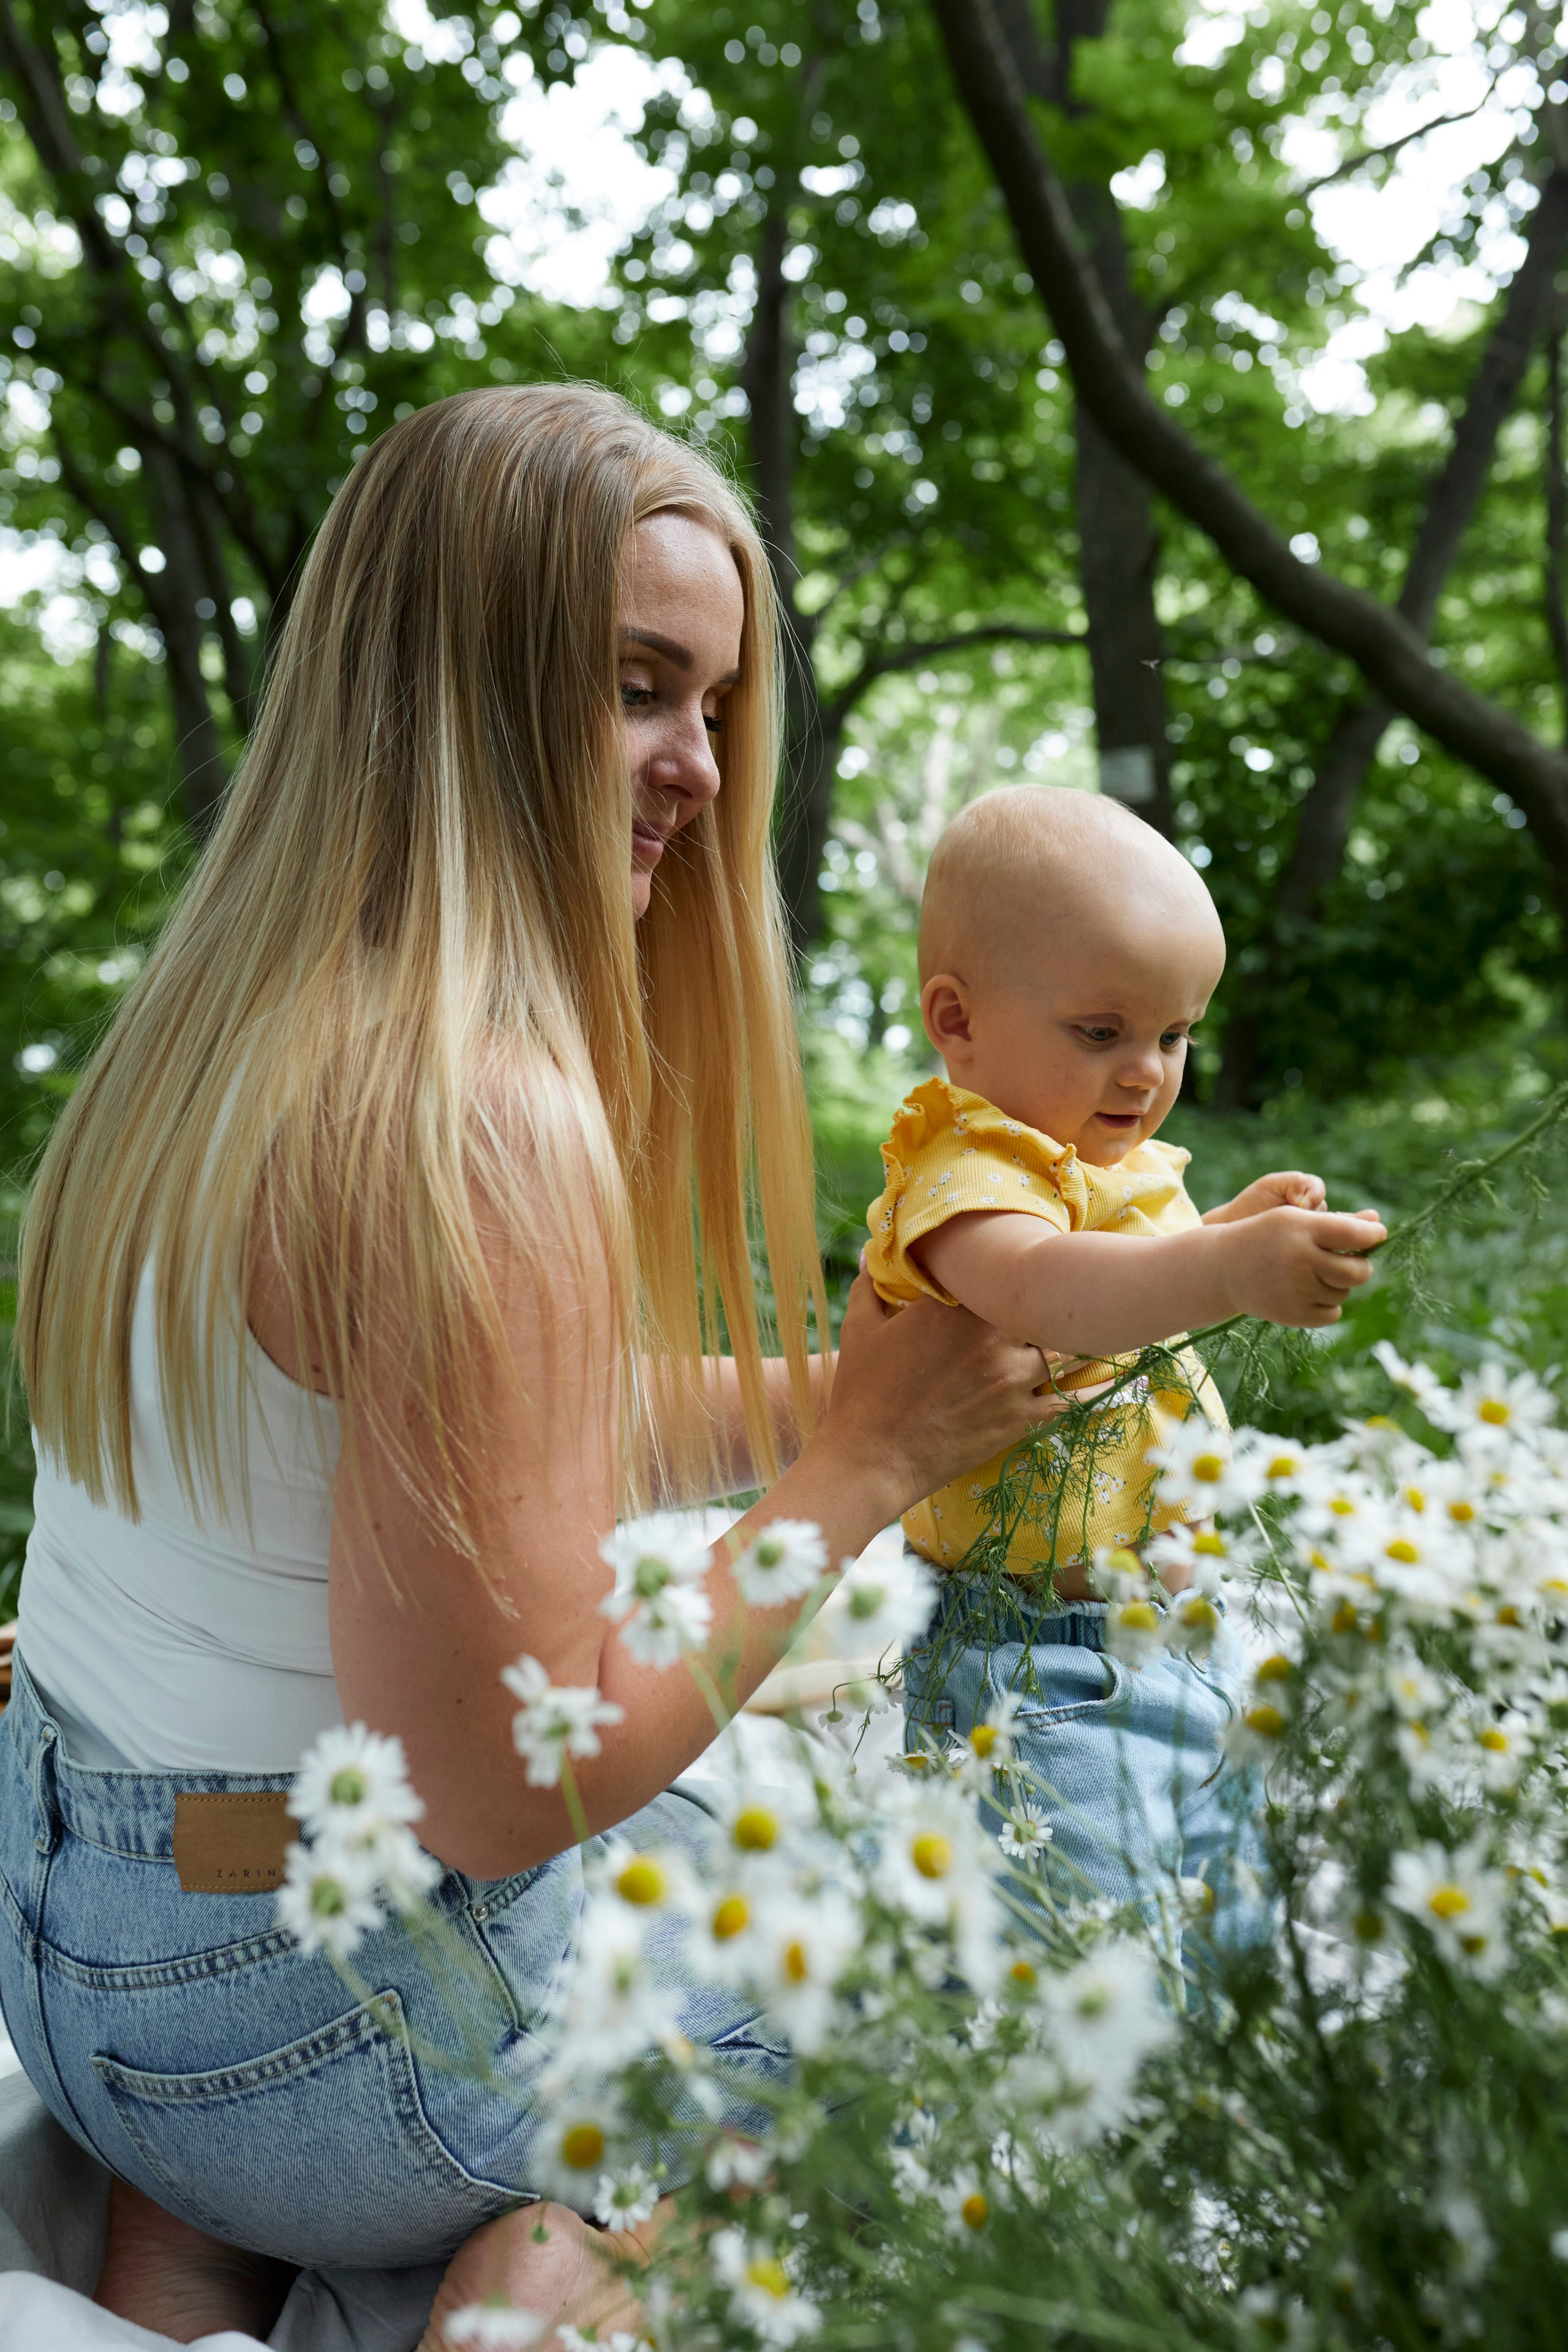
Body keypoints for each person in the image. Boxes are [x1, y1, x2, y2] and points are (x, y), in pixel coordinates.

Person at [0, 388, 1071, 2348]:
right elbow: (502, 1798)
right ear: (465, 688)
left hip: (83, 1924)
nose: (698, 764)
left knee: (692, 1816)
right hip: (298, 2024)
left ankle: (180, 2252)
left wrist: (839, 1391)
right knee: (910, 1962)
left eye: (719, 704)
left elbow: (474, 1436)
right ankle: (541, 2266)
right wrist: (853, 1486)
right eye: (640, 690)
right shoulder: (480, 1108)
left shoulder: (212, 1032)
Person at [866, 786, 1385, 1939]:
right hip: (1033, 1667)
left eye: (1174, 1034)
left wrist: (1219, 1233)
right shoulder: (964, 1181)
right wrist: (1228, 1271)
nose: (1147, 1072)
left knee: (1220, 1908)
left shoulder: (1105, 1161)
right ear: (956, 1019)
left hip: (1175, 1629)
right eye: (1102, 1033)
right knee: (1079, 1946)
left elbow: (1133, 1270)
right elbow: (1053, 1292)